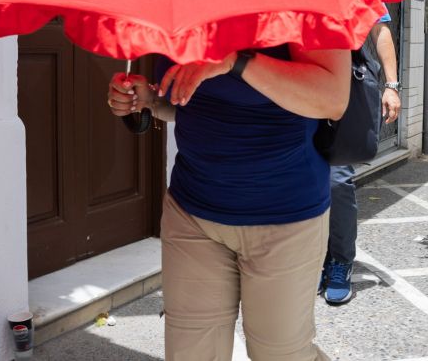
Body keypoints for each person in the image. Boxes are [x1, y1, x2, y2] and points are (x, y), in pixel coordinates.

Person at [108, 45, 350, 360]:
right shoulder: (179, 4)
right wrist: (149, 100)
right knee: (191, 354)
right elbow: (192, 104)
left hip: (285, 217)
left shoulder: (300, 0)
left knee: (281, 355)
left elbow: (332, 99)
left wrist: (235, 62)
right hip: (192, 213)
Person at [321, 16, 401, 305]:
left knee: (337, 182)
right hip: (296, 86)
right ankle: (317, 260)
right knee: (299, 180)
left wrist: (391, 85)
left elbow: (379, 29)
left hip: (342, 90)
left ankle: (340, 262)